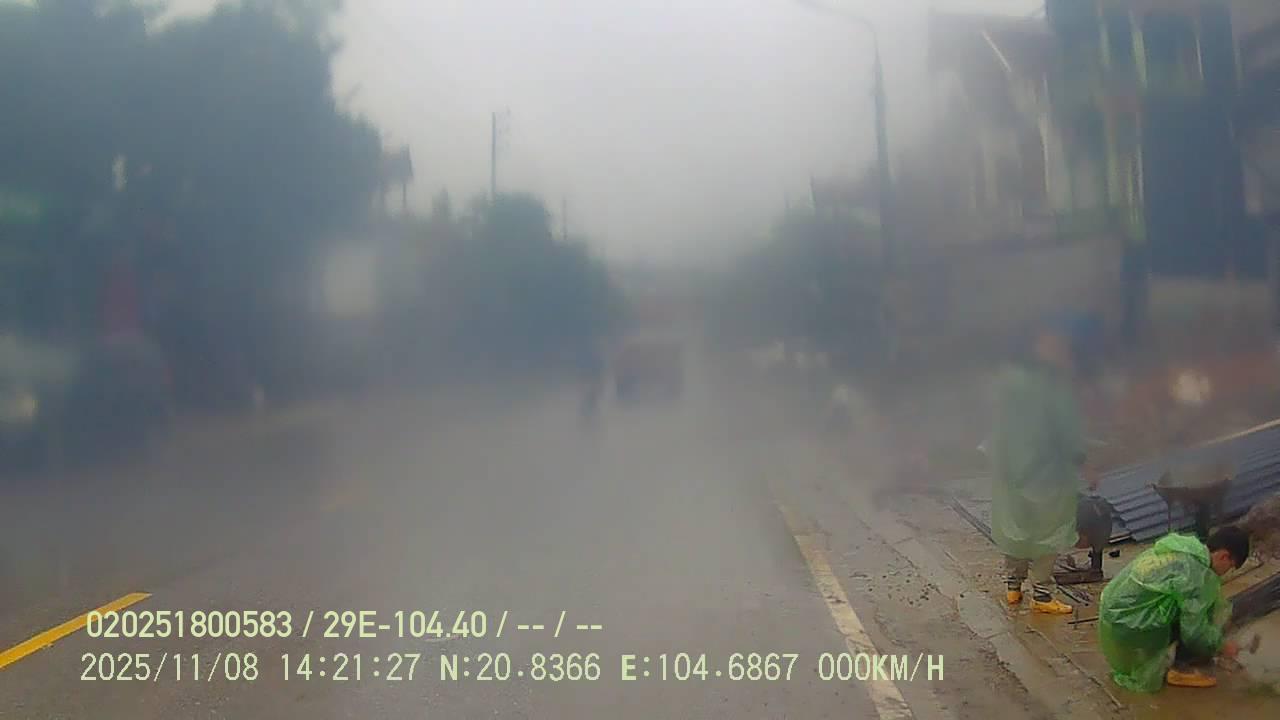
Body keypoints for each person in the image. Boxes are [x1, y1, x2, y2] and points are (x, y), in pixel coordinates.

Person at [988, 316, 1098, 615]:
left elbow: (997, 427)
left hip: (1012, 470)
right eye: (1057, 345)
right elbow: (1066, 431)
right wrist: (1085, 463)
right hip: (1048, 473)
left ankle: (1013, 587)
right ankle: (1041, 594)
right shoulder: (1053, 385)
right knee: (1049, 532)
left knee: (1016, 526)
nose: (1063, 351)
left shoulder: (1009, 379)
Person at [1099, 527, 1249, 691]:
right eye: (1231, 566)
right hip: (1130, 625)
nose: (1227, 572)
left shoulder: (1185, 548)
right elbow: (1194, 632)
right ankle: (1181, 669)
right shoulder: (1198, 575)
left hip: (1111, 614)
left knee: (1195, 608)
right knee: (1195, 619)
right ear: (1224, 556)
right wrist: (1221, 645)